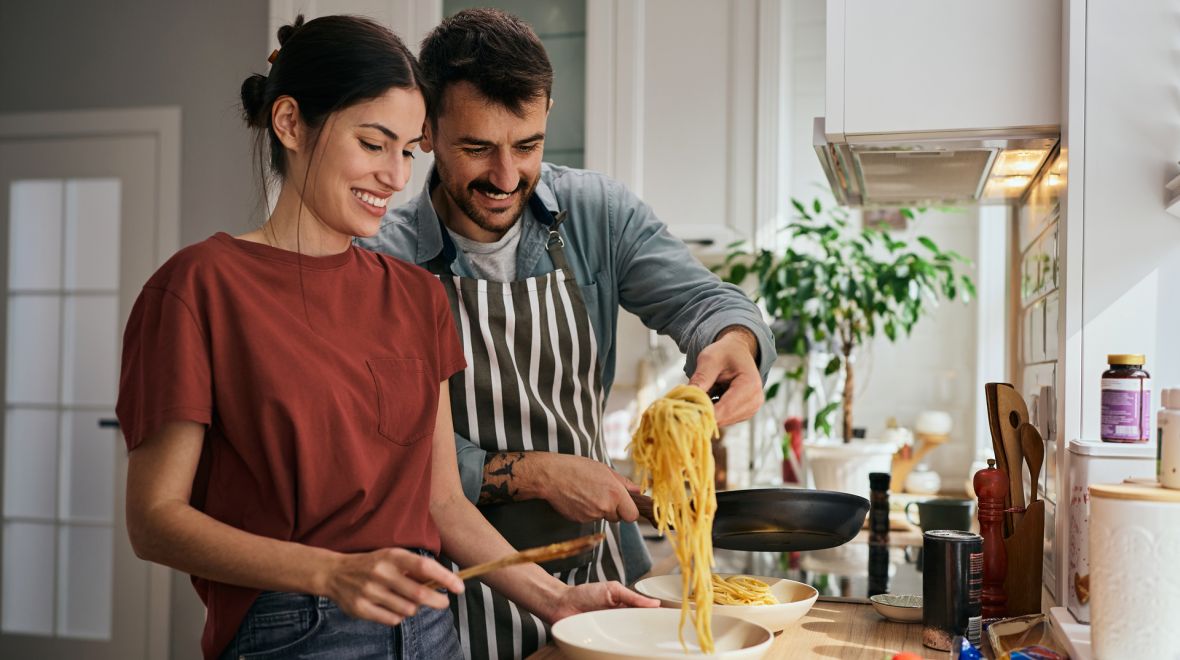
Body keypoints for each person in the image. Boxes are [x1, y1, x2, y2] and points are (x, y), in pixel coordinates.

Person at [116, 15, 655, 660]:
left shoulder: (415, 295)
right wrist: (329, 573)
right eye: (373, 144)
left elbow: (444, 505)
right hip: (295, 633)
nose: (397, 178)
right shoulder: (201, 286)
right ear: (289, 124)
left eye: (407, 150)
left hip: (429, 631)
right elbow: (154, 521)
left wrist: (556, 601)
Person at [358, 8, 775, 659]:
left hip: (596, 572)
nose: (505, 176)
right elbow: (389, 456)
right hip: (454, 592)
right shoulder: (383, 259)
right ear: (428, 131)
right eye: (476, 148)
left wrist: (736, 342)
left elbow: (706, 301)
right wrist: (535, 473)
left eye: (527, 145)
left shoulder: (595, 213)